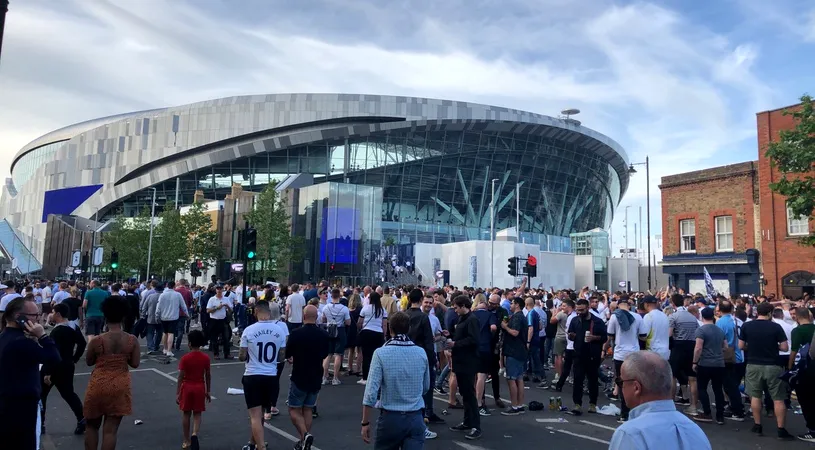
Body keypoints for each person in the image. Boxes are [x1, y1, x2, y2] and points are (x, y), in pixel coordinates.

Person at [609, 351, 711, 450]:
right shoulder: (696, 432)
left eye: (621, 382)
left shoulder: (630, 434)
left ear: (636, 388)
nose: (621, 387)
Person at [361, 311, 430, 449]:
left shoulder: (381, 353)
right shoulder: (421, 352)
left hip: (390, 417)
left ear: (390, 328)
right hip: (415, 416)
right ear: (408, 328)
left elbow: (370, 393)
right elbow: (425, 386)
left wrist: (365, 422)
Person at [0, 297, 61, 450]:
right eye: (34, 315)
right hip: (21, 405)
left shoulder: (5, 337)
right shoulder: (20, 342)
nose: (38, 318)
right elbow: (54, 358)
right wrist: (43, 336)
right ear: (18, 317)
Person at [84, 295, 141, 450]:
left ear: (105, 314)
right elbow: (135, 363)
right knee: (110, 431)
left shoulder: (97, 340)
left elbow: (89, 362)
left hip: (99, 383)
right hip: (120, 384)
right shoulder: (132, 340)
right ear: (123, 316)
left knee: (91, 426)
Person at [739, 301, 793, 439]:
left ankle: (757, 425)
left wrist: (751, 347)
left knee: (755, 396)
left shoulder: (746, 326)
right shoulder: (775, 327)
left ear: (757, 312)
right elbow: (785, 347)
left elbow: (741, 346)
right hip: (773, 365)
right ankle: (781, 429)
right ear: (770, 313)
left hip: (753, 364)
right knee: (778, 398)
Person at [239, 301, 287, 450]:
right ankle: (253, 443)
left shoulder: (249, 330)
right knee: (261, 414)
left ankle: (260, 446)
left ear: (257, 311)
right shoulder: (279, 330)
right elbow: (281, 357)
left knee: (254, 415)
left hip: (253, 374)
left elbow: (242, 355)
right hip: (271, 375)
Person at [41, 303, 86, 435]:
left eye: (53, 312)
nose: (51, 314)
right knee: (68, 393)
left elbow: (54, 352)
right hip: (67, 364)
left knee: (42, 394)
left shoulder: (57, 331)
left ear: (58, 314)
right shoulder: (73, 326)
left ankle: (41, 423)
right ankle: (82, 419)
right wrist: (74, 358)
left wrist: (48, 372)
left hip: (55, 366)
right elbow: (82, 343)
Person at [287, 305, 328, 450]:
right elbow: (324, 354)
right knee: (308, 409)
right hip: (316, 374)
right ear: (316, 317)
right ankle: (304, 440)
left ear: (304, 316)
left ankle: (304, 435)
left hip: (300, 374)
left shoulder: (296, 333)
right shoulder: (323, 334)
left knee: (293, 409)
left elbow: (288, 352)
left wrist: (292, 357)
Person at [405, 288, 442, 428]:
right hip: (421, 357)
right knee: (426, 387)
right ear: (421, 301)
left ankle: (414, 416)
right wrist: (433, 360)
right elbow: (428, 341)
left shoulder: (404, 314)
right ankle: (424, 416)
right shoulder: (423, 318)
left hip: (406, 355)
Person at [448, 294, 482, 440]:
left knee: (469, 394)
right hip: (460, 361)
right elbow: (461, 335)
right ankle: (468, 422)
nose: (455, 310)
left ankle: (476, 426)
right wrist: (450, 335)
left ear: (463, 306)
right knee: (465, 393)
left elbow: (474, 340)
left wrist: (456, 344)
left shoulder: (472, 319)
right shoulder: (463, 318)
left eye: (456, 308)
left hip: (468, 361)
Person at [567, 298, 607, 415]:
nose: (579, 312)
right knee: (578, 380)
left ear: (588, 308)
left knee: (592, 380)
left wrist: (594, 338)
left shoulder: (597, 321)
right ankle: (577, 404)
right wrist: (571, 336)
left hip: (592, 355)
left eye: (582, 310)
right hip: (578, 354)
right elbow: (570, 334)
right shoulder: (575, 320)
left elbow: (604, 337)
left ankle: (592, 404)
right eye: (578, 310)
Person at [606, 296, 642, 422]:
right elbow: (642, 336)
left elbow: (610, 335)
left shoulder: (615, 316)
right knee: (635, 383)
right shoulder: (637, 317)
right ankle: (636, 411)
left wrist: (605, 348)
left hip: (620, 353)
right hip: (634, 352)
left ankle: (624, 413)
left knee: (622, 383)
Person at [176, 329, 211, 450]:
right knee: (197, 413)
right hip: (200, 387)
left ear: (189, 343)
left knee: (186, 413)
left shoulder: (185, 358)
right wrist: (208, 390)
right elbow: (208, 375)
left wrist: (178, 393)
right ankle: (195, 433)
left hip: (187, 387)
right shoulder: (205, 358)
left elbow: (180, 376)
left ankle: (186, 440)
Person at [668, 293, 700, 412]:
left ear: (673, 303)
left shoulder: (673, 316)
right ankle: (694, 406)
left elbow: (669, 334)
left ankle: (670, 406)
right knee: (692, 378)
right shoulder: (692, 317)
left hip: (678, 346)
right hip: (691, 346)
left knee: (673, 376)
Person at [500, 297, 529, 417]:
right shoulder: (520, 316)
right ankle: (520, 404)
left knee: (511, 379)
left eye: (512, 303)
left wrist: (505, 327)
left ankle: (514, 406)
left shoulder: (517, 317)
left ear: (517, 305)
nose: (510, 305)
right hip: (520, 351)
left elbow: (515, 332)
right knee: (519, 379)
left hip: (514, 351)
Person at [321, 288, 351, 385]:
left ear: (331, 296)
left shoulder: (326, 307)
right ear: (339, 296)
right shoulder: (344, 308)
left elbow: (323, 319)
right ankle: (335, 378)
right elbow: (348, 322)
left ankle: (324, 377)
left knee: (328, 354)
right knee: (338, 354)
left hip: (329, 329)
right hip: (340, 329)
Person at [473, 298, 498, 416]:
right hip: (484, 347)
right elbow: (493, 327)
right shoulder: (489, 315)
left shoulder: (472, 314)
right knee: (481, 376)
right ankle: (478, 403)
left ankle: (472, 401)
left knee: (473, 375)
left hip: (472, 347)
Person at [358, 291, 388, 385]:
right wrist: (384, 335)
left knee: (366, 356)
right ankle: (377, 377)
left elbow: (360, 322)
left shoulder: (365, 308)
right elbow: (384, 325)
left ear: (370, 299)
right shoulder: (382, 310)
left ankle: (365, 378)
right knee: (377, 357)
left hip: (366, 333)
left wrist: (360, 328)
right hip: (378, 333)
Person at [206, 285, 233, 360]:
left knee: (226, 337)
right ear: (215, 290)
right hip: (214, 320)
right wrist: (217, 308)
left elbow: (231, 311)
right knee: (214, 338)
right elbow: (208, 310)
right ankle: (216, 353)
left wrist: (227, 306)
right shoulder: (212, 299)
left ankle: (227, 353)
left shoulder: (226, 299)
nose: (219, 290)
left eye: (220, 289)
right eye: (217, 289)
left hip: (223, 320)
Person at [640, 295, 670, 360]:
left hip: (653, 352)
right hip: (665, 351)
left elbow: (644, 336)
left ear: (646, 304)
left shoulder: (648, 316)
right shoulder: (664, 315)